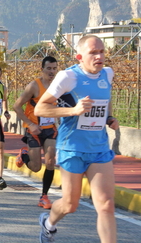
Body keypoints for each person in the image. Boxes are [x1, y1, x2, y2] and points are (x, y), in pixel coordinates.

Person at [34, 35, 119, 243]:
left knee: (106, 205)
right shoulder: (68, 77)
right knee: (70, 205)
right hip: (72, 147)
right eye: (93, 53)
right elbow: (41, 107)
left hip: (98, 148)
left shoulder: (107, 74)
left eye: (101, 51)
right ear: (79, 56)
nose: (99, 56)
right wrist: (73, 110)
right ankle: (48, 224)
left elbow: (104, 100)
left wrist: (108, 117)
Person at [13, 56, 58, 209]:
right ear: (42, 69)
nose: (51, 72)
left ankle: (44, 196)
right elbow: (17, 106)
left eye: (54, 68)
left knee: (51, 160)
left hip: (50, 129)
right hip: (33, 130)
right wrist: (31, 124)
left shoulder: (59, 86)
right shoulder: (34, 86)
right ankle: (24, 155)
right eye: (49, 68)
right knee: (36, 167)